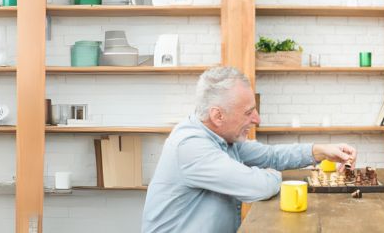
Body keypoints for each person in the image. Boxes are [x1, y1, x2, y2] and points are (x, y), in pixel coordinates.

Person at [142, 66, 358, 233]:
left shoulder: (223, 138)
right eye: (248, 112)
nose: (257, 119)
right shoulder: (190, 146)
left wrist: (321, 150)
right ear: (218, 115)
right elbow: (257, 187)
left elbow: (271, 156)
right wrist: (272, 175)